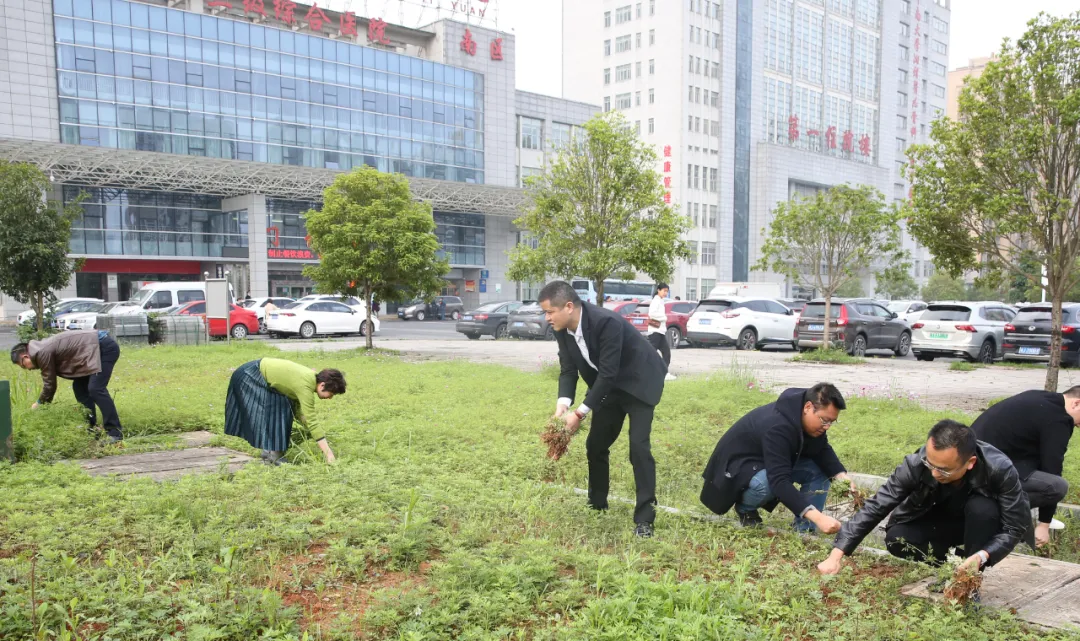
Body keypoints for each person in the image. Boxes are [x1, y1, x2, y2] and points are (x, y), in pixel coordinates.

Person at [819, 420, 1029, 578]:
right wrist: (836, 555)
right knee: (898, 538)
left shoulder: (999, 469)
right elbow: (876, 507)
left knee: (982, 507)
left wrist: (984, 555)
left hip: (978, 523)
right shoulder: (915, 465)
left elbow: (1014, 527)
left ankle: (969, 579)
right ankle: (954, 569)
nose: (935, 473)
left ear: (970, 462)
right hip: (936, 521)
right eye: (931, 464)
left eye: (944, 470)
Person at [539, 280, 667, 537]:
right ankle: (597, 504)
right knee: (595, 445)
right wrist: (562, 407)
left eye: (549, 312)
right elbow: (568, 369)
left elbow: (608, 373)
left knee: (638, 448)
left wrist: (579, 414)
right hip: (609, 386)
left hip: (640, 382)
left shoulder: (605, 322)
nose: (547, 318)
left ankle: (644, 519)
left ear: (568, 307)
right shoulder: (561, 329)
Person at [700, 384, 855, 533]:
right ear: (808, 407)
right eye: (824, 420)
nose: (827, 426)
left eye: (831, 422)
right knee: (766, 483)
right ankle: (745, 508)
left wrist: (841, 476)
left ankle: (805, 529)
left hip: (765, 461)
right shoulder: (778, 427)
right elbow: (779, 481)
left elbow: (821, 449)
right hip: (735, 471)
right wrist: (819, 517)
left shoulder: (805, 417)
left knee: (820, 472)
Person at [972, 388, 1079, 548]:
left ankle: (1009, 511)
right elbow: (1053, 469)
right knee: (1056, 487)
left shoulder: (1039, 397)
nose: (1078, 426)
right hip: (984, 472)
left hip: (973, 461)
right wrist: (1044, 524)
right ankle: (999, 513)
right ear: (1077, 403)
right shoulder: (1058, 420)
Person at [225, 357, 346, 464]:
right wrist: (329, 454)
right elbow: (312, 420)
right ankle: (273, 453)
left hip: (253, 373)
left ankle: (270, 451)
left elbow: (298, 409)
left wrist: (308, 426)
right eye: (332, 393)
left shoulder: (310, 379)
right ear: (322, 385)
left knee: (285, 405)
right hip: (249, 375)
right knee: (281, 408)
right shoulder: (305, 385)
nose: (330, 398)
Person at [11, 330, 124, 442]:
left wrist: (40, 403)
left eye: (23, 366)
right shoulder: (41, 349)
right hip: (93, 351)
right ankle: (91, 429)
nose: (28, 369)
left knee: (96, 389)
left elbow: (50, 385)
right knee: (80, 388)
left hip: (103, 348)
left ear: (25, 356)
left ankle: (115, 432)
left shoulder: (42, 352)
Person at [647, 283, 677, 382]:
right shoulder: (656, 300)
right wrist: (664, 317)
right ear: (658, 290)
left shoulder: (660, 300)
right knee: (652, 354)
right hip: (655, 332)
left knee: (666, 353)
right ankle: (649, 372)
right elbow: (651, 314)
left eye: (667, 291)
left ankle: (663, 373)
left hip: (660, 332)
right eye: (664, 291)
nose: (665, 293)